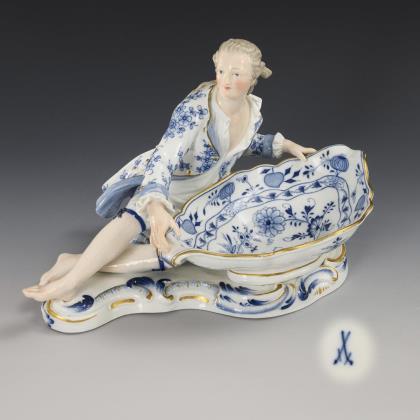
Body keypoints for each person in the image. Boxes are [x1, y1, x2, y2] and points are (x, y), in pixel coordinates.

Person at [22, 38, 316, 302]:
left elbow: (242, 144)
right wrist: (155, 203)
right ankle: (70, 283)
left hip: (204, 195)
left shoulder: (252, 111)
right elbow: (165, 155)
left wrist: (285, 145)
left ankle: (74, 261)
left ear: (253, 78)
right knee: (132, 220)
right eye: (221, 70)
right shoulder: (196, 109)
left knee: (172, 253)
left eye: (236, 74)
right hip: (169, 182)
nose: (225, 79)